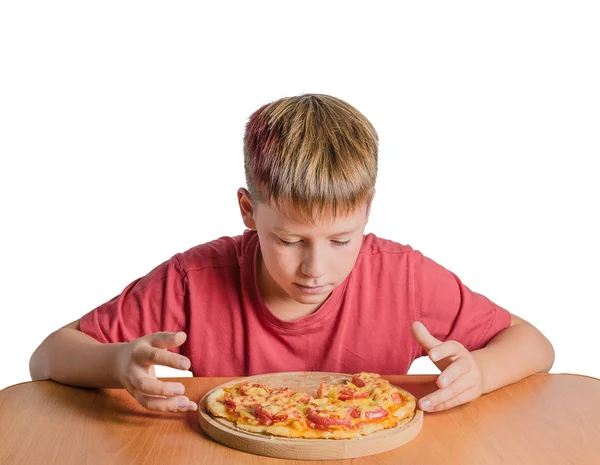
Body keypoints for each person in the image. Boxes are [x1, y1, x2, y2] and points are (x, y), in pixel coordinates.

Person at [29, 93, 555, 415]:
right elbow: (48, 356)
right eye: (289, 240)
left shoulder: (403, 278)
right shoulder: (195, 279)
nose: (315, 268)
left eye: (341, 241)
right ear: (248, 211)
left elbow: (533, 344)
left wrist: (480, 372)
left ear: (368, 213)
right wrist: (118, 362)